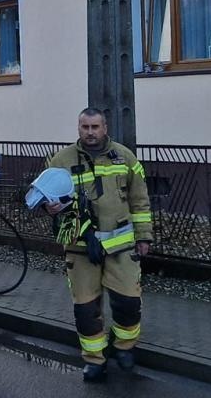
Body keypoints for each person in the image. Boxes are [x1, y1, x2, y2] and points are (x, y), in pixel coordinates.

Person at [36, 108, 154, 383]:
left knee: (128, 302)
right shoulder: (60, 160)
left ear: (105, 127)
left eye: (95, 127)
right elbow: (40, 196)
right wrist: (48, 207)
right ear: (78, 128)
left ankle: (124, 348)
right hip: (79, 246)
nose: (90, 132)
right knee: (86, 309)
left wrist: (144, 237)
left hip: (121, 246)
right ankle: (94, 359)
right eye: (85, 126)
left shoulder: (125, 157)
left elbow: (140, 200)